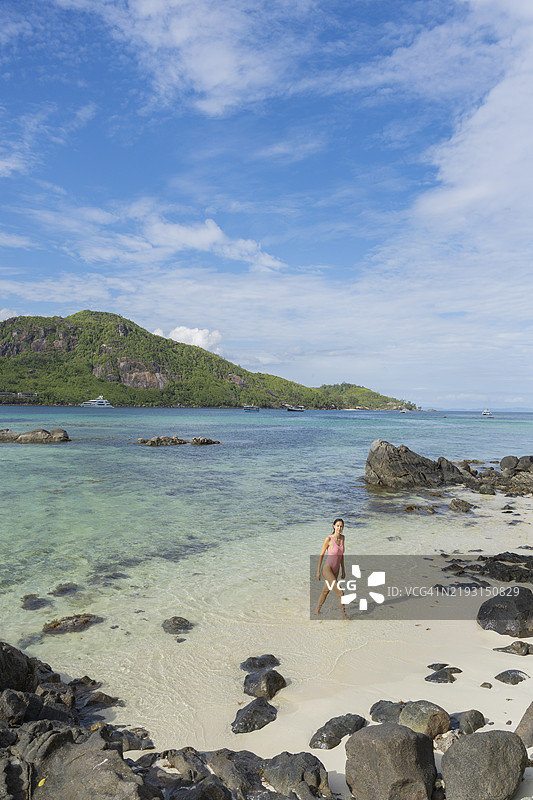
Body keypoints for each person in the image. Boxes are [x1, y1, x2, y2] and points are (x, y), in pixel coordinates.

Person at [315, 518, 346, 618]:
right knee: (340, 591)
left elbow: (341, 556)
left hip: (336, 570)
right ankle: (344, 616)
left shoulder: (343, 538)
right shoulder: (328, 539)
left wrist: (343, 570)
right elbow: (322, 555)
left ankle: (316, 611)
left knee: (325, 591)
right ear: (334, 526)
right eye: (337, 526)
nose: (339, 528)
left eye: (341, 526)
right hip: (327, 569)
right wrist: (318, 571)